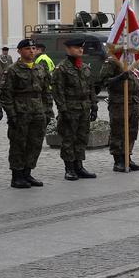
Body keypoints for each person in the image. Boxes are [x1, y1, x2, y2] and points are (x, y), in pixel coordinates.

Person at [1, 39, 54, 188]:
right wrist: (11, 115)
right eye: (27, 48)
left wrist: (48, 111)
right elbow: (6, 95)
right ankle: (16, 176)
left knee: (35, 143)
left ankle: (27, 173)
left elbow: (46, 92)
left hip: (38, 113)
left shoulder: (40, 69)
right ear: (19, 51)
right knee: (19, 144)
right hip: (20, 113)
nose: (31, 51)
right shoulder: (12, 70)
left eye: (33, 48)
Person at [51, 38, 98, 180]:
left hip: (84, 108)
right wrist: (63, 110)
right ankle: (69, 168)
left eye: (81, 48)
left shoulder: (85, 67)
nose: (80, 50)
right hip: (70, 108)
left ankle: (79, 166)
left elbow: (91, 89)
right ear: (68, 49)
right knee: (69, 139)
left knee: (82, 138)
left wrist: (94, 106)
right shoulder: (62, 69)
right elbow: (58, 91)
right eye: (77, 47)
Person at [99, 54, 139, 172]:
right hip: (119, 103)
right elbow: (104, 81)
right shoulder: (112, 61)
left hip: (133, 103)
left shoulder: (132, 62)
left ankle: (127, 158)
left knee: (131, 131)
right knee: (118, 131)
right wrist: (119, 78)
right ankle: (118, 160)